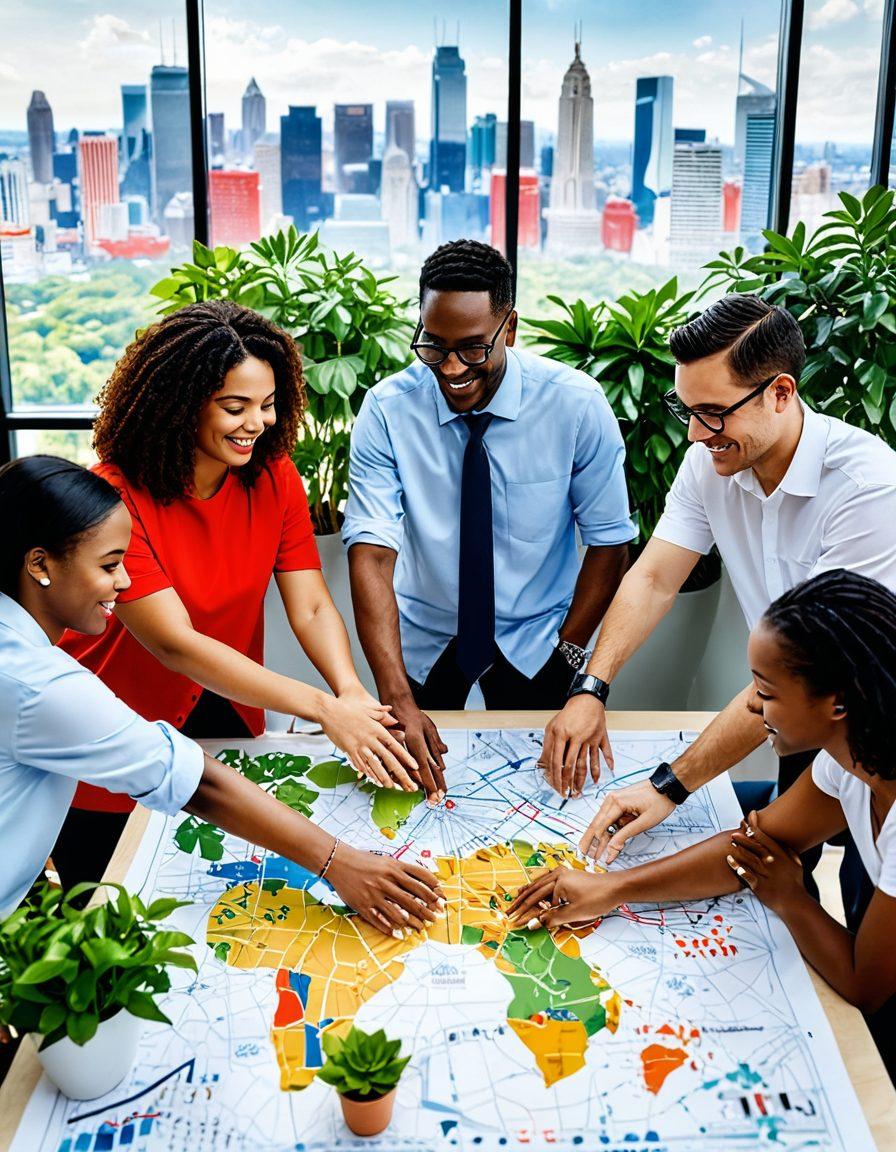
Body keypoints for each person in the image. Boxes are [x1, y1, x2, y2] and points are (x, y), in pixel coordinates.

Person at [542, 293, 896, 923]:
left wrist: (670, 784)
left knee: (872, 911)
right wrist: (590, 687)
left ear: (781, 392)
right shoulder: (711, 460)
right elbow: (653, 578)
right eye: (686, 410)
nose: (695, 433)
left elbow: (809, 668)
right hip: (796, 715)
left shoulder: (869, 489)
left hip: (872, 739)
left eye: (712, 413)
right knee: (779, 890)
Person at [55, 301, 418, 887]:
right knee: (110, 916)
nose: (258, 422)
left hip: (224, 713)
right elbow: (175, 644)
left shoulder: (273, 477)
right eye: (235, 407)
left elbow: (313, 604)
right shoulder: (113, 495)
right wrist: (325, 709)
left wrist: (352, 693)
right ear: (179, 405)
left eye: (269, 405)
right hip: (116, 732)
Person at [0, 456, 443, 933]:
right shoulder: (38, 684)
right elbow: (195, 782)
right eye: (109, 565)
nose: (126, 581)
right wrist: (341, 864)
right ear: (40, 564)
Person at [510, 569, 896, 1080]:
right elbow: (751, 849)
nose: (754, 707)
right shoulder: (847, 758)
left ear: (837, 704)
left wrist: (788, 895)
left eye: (767, 691)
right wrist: (611, 889)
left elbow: (865, 985)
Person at [344, 240, 636, 799]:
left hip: (540, 638)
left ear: (511, 329)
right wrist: (394, 693)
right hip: (422, 639)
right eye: (435, 345)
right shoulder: (387, 408)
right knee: (407, 796)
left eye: (473, 348)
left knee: (548, 797)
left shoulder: (575, 404)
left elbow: (609, 543)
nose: (451, 368)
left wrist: (569, 652)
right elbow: (372, 552)